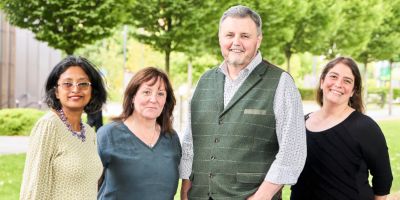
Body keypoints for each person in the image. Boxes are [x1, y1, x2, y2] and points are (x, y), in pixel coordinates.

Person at [179, 5, 307, 200]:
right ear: (220, 38)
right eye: (229, 35)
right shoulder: (204, 81)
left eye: (245, 36)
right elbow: (190, 143)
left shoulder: (281, 83)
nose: (236, 42)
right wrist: (186, 189)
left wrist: (261, 197)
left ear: (258, 40)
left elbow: (292, 151)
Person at [290, 57, 393, 200]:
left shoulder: (365, 127)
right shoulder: (301, 123)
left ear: (353, 91)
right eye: (333, 76)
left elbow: (383, 179)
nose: (338, 84)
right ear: (322, 82)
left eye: (347, 81)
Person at [20, 55, 107, 200]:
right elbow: (34, 189)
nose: (75, 89)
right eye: (67, 84)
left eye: (83, 84)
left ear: (92, 91)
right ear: (56, 92)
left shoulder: (89, 132)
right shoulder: (49, 126)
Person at [97, 67, 181, 200]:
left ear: (166, 101)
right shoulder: (108, 135)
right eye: (147, 92)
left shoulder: (172, 138)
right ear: (132, 97)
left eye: (160, 94)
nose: (153, 99)